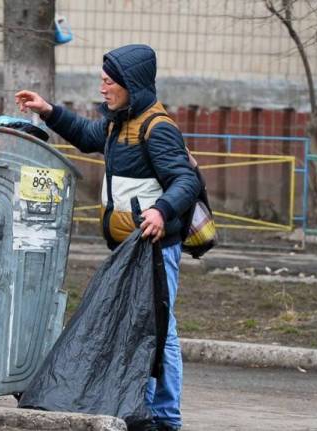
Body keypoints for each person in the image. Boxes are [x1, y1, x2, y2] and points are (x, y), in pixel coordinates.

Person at [16, 44, 200, 431]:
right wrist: (48, 111)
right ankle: (142, 409)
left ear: (130, 84)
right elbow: (86, 134)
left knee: (160, 331)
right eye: (102, 80)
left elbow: (186, 180)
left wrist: (161, 211)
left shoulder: (157, 127)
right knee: (141, 329)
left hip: (155, 249)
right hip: (129, 250)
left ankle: (165, 417)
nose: (103, 88)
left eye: (109, 81)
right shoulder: (120, 123)